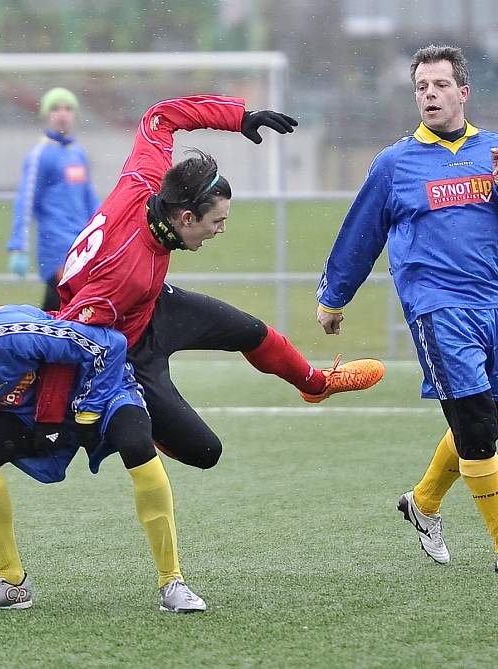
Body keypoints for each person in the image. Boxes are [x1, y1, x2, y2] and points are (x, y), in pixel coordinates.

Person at [33, 95, 385, 470]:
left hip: (147, 305)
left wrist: (240, 117)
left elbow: (160, 116)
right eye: (216, 221)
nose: (221, 230)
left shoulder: (146, 180)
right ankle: (114, 417)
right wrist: (49, 421)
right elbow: (69, 336)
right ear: (186, 217)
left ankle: (316, 385)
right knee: (205, 453)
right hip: (123, 347)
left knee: (250, 331)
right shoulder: (126, 272)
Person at [315, 45, 498, 575]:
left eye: (440, 85)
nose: (429, 95)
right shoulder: (395, 163)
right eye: (421, 87)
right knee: (476, 427)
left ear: (463, 92)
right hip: (435, 308)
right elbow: (361, 233)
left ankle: (422, 502)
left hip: (491, 305)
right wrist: (333, 297)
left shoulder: (496, 151)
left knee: (488, 423)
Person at [0, 292, 206, 613]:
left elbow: (110, 345)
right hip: (37, 416)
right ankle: (10, 584)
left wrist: (88, 414)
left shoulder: (16, 335)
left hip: (100, 391)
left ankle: (172, 582)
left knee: (137, 444)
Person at [7, 87, 100, 311]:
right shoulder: (41, 155)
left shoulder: (78, 153)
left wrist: (104, 231)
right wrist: (19, 246)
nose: (62, 114)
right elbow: (26, 201)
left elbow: (90, 200)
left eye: (67, 108)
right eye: (55, 108)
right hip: (56, 247)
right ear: (47, 115)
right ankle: (37, 343)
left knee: (78, 307)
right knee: (57, 306)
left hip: (82, 243)